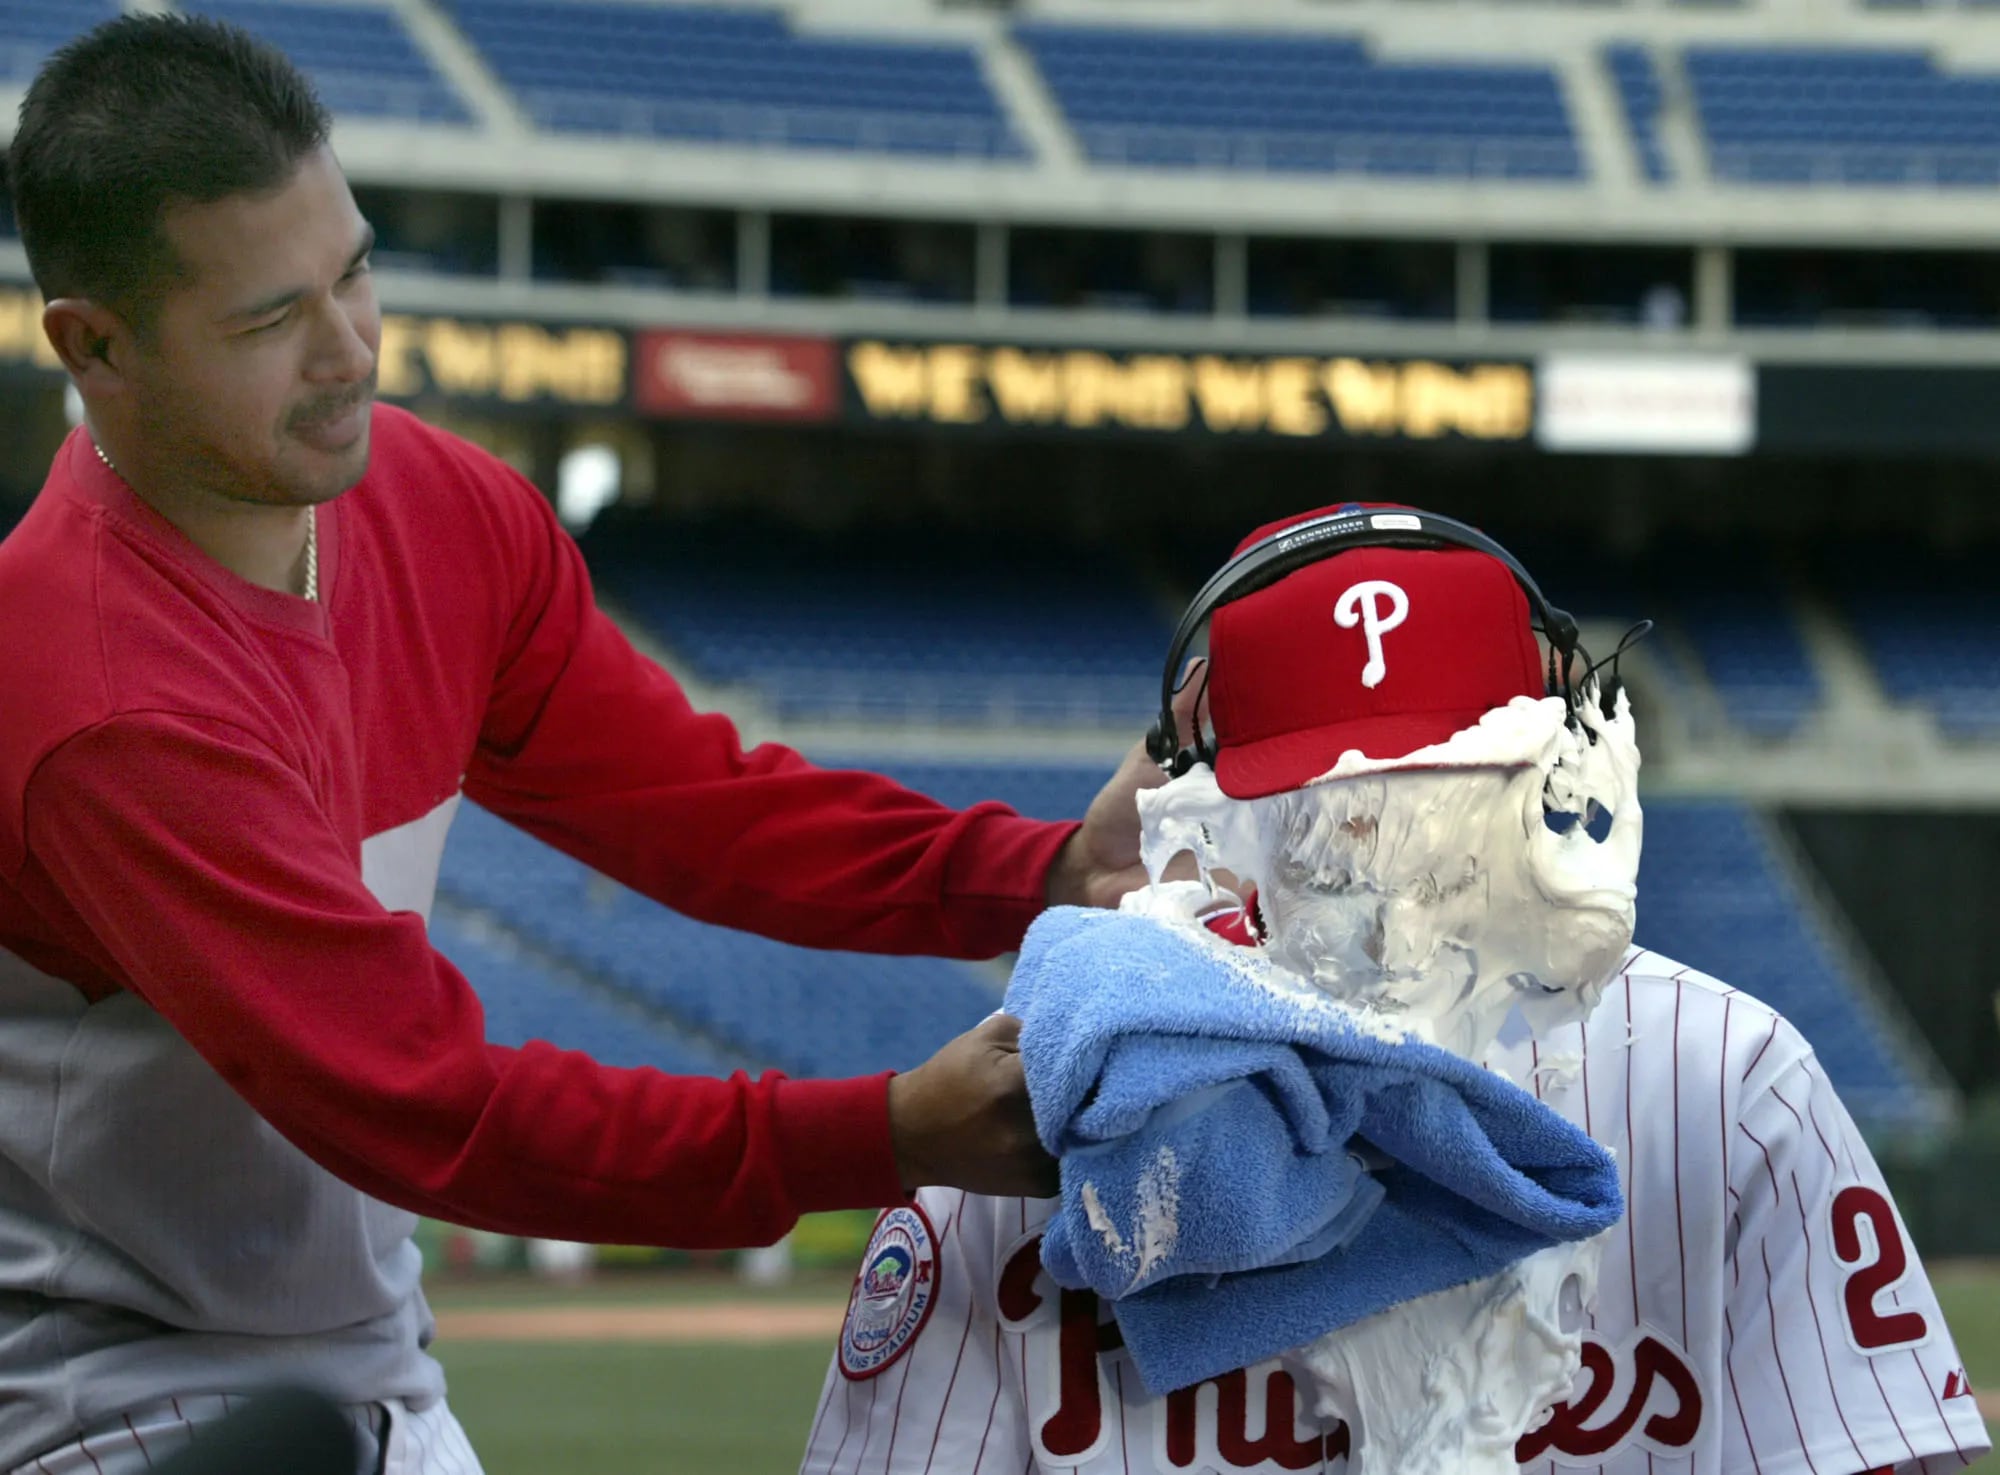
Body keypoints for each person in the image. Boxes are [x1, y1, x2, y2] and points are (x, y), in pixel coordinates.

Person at [0, 16, 1187, 1475]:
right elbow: (437, 1112)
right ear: (92, 345)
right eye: (266, 321)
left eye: (356, 270)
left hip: (373, 1375)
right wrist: (884, 1131)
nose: (349, 349)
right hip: (105, 1404)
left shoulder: (439, 508)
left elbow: (700, 809)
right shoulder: (103, 699)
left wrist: (1049, 866)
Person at [800, 505, 1990, 1475]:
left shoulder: (1725, 1075)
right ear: (1204, 806)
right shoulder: (1035, 1099)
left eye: (1449, 780)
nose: (1383, 841)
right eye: (1320, 798)